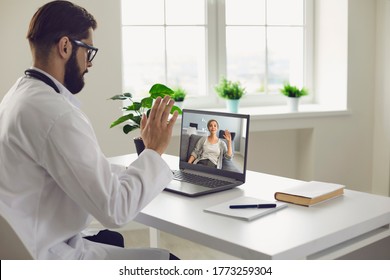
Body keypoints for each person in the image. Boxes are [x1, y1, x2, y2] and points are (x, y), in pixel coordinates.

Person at [0, 1, 179, 260]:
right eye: (89, 52)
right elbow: (116, 210)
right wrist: (153, 150)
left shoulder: (18, 96)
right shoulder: (57, 114)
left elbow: (69, 168)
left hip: (27, 242)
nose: (89, 64)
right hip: (47, 256)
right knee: (169, 262)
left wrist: (128, 172)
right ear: (65, 47)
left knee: (111, 239)